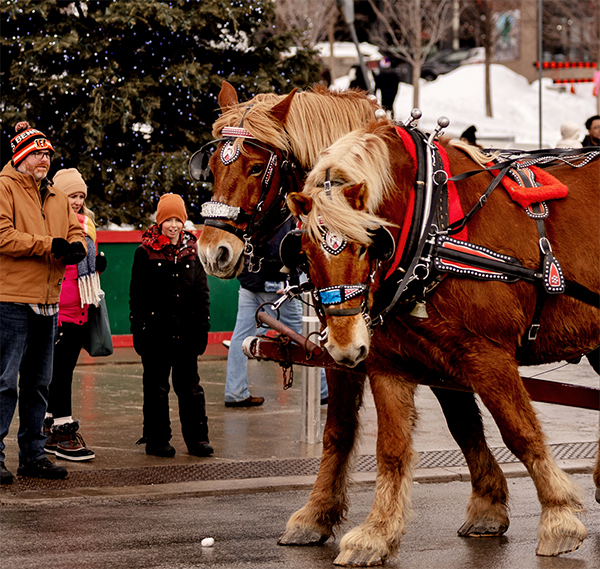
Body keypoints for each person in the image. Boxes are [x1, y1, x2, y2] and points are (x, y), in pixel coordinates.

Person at [0, 122, 86, 484]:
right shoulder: (4, 187)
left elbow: (74, 228)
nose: (44, 159)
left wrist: (77, 244)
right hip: (12, 300)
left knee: (38, 384)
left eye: (48, 154)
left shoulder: (55, 196)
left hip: (48, 301)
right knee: (4, 383)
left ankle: (33, 455)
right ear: (21, 156)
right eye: (37, 153)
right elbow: (3, 236)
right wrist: (48, 245)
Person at [129, 193, 212, 458]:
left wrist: (202, 329)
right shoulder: (145, 252)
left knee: (190, 388)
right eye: (168, 220)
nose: (173, 225)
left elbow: (202, 294)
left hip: (186, 333)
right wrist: (139, 329)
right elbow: (137, 295)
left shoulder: (193, 250)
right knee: (156, 388)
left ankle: (198, 439)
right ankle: (157, 440)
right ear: (160, 221)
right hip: (156, 334)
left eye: (178, 219)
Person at [224, 220, 328, 407]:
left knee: (240, 337)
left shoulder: (254, 210)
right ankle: (323, 390)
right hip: (277, 286)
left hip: (249, 283)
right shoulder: (281, 212)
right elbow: (280, 247)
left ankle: (235, 391)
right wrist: (287, 280)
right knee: (303, 336)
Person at [43, 168, 107, 462]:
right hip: (61, 307)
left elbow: (88, 262)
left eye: (81, 196)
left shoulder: (87, 224)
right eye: (72, 195)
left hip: (83, 305)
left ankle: (48, 423)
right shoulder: (52, 221)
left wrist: (97, 263)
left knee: (61, 369)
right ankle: (62, 431)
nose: (77, 201)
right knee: (60, 371)